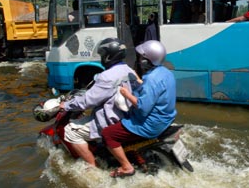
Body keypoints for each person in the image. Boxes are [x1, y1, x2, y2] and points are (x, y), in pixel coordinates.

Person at [101, 40, 177, 177]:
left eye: (142, 58)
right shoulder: (166, 72)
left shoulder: (151, 79)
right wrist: (140, 82)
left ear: (147, 61)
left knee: (108, 134)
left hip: (150, 124)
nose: (139, 60)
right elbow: (157, 93)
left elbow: (142, 108)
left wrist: (127, 94)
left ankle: (126, 167)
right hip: (165, 119)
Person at [59, 37, 138, 167]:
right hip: (128, 117)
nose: (101, 57)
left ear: (109, 55)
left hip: (111, 120)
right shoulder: (129, 70)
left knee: (70, 131)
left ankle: (92, 167)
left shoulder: (107, 76)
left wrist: (66, 105)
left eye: (103, 54)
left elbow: (88, 101)